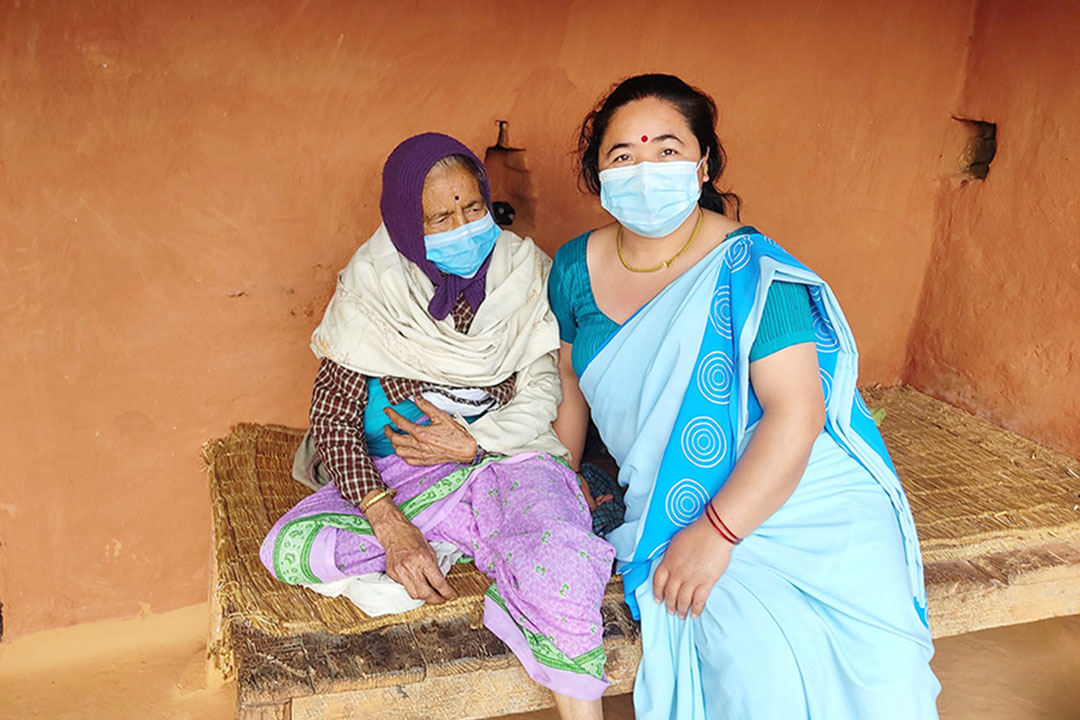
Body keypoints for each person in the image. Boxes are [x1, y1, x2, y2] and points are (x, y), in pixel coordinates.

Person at [549, 74, 940, 719]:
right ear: (598, 173)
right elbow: (570, 388)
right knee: (756, 678)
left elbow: (799, 413)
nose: (645, 168)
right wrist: (553, 488)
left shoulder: (752, 268)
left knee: (882, 685)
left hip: (795, 497)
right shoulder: (571, 268)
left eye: (668, 150)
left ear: (702, 165)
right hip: (675, 498)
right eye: (623, 155)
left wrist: (716, 533)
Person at [261, 132, 613, 719]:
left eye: (473, 209)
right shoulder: (374, 287)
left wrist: (475, 441)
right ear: (405, 221)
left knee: (560, 565)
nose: (463, 227)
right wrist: (389, 523)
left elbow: (543, 387)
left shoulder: (524, 272)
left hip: (512, 456)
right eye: (440, 217)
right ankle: (472, 537)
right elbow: (332, 420)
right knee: (292, 550)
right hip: (408, 479)